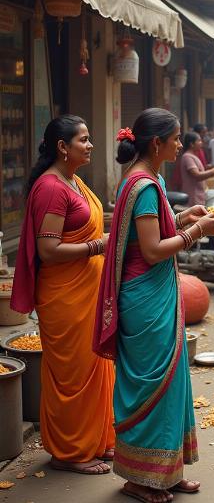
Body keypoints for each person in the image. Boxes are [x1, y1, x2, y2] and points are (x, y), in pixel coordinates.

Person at [93, 109, 214, 503]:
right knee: (150, 386)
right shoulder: (145, 185)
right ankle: (139, 478)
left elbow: (151, 230)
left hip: (155, 295)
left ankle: (166, 472)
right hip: (145, 298)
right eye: (177, 139)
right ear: (157, 143)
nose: (181, 145)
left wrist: (186, 216)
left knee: (170, 385)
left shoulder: (149, 180)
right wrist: (197, 230)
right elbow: (151, 250)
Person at [11, 115, 115, 475]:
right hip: (65, 296)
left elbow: (92, 222)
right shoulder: (52, 187)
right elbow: (48, 250)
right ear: (62, 147)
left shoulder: (73, 180)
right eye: (83, 140)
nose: (90, 145)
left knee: (96, 365)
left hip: (88, 289)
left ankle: (96, 440)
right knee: (74, 374)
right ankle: (69, 452)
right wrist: (97, 245)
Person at [180, 132, 214, 205]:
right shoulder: (187, 157)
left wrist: (211, 170)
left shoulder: (192, 156)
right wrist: (212, 172)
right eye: (199, 141)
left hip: (198, 195)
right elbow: (196, 175)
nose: (201, 143)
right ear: (192, 144)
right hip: (193, 196)